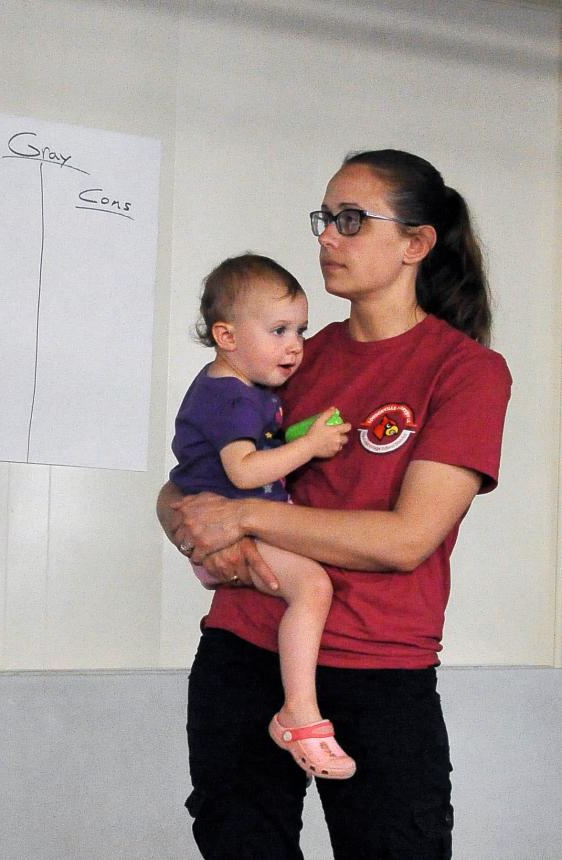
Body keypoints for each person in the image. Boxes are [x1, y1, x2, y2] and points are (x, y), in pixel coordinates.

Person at [158, 149, 511, 859]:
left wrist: (246, 516)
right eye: (325, 218)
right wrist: (189, 525)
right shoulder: (289, 356)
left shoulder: (466, 372)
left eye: (351, 220)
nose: (326, 237)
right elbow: (189, 485)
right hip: (245, 650)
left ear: (415, 244)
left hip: (376, 670)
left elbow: (406, 539)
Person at [170, 253, 354, 780]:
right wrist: (313, 445)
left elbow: (257, 448)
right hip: (228, 534)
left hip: (231, 532)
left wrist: (298, 436)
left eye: (299, 328)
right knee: (313, 587)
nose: (294, 344)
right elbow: (246, 471)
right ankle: (299, 712)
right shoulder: (231, 398)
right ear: (226, 336)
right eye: (277, 330)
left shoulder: (242, 391)